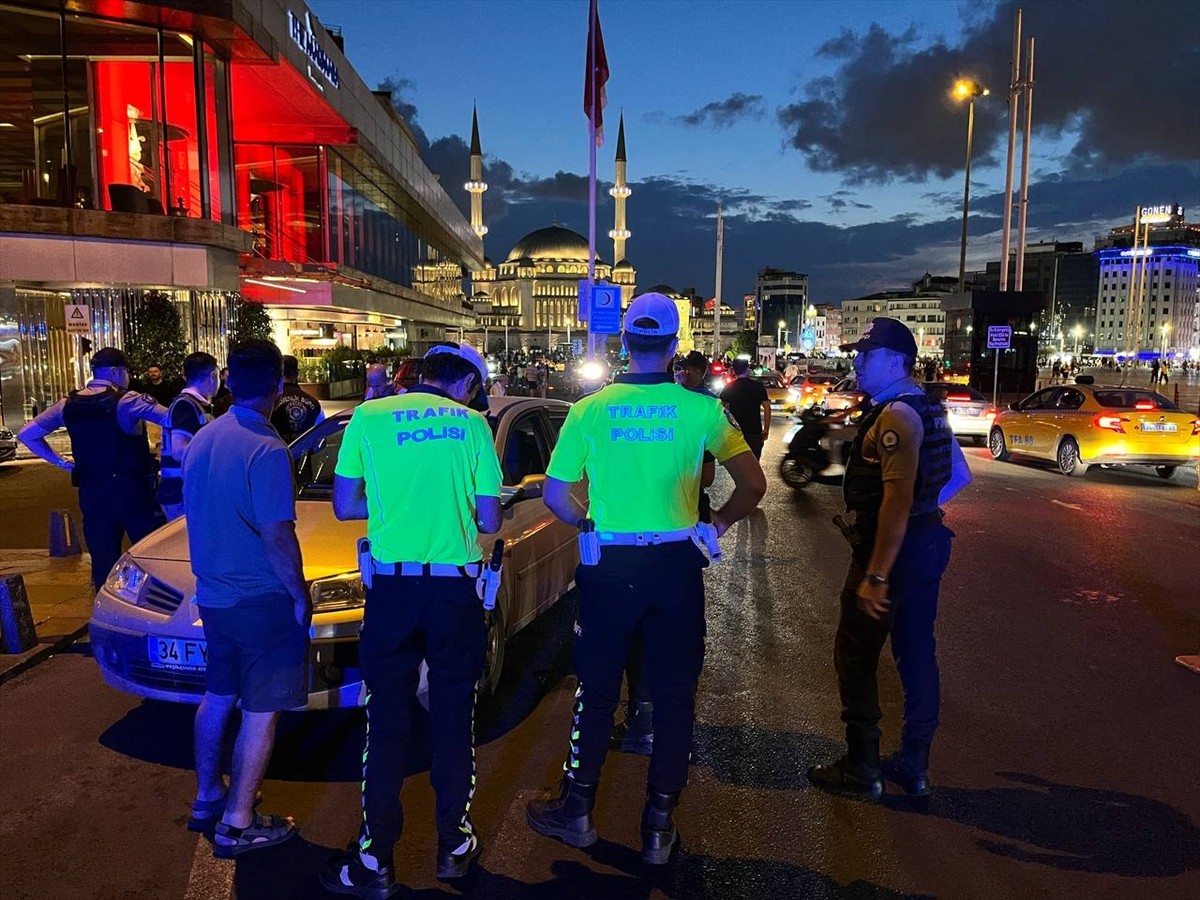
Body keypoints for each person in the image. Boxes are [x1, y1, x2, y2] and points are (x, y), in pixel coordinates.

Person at [525, 292, 766, 864]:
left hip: (611, 565)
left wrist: (586, 518)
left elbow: (556, 492)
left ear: (624, 343)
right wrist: (720, 523)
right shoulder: (703, 411)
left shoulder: (589, 409)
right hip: (676, 566)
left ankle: (577, 810)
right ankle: (658, 827)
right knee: (675, 695)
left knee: (597, 691)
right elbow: (753, 484)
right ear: (675, 345)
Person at [322, 342, 502, 896]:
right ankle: (453, 845)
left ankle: (375, 860)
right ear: (466, 385)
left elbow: (345, 506)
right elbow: (490, 518)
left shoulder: (367, 418)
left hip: (393, 592)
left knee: (386, 722)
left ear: (419, 376)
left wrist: (396, 501)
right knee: (453, 718)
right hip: (454, 593)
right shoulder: (472, 426)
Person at [808, 317, 971, 801]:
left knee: (854, 657)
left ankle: (862, 767)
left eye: (867, 355)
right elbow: (957, 475)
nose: (856, 362)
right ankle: (915, 764)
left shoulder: (897, 416)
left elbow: (895, 501)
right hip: (926, 546)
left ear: (897, 362)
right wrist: (925, 509)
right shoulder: (927, 407)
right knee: (917, 653)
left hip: (892, 555)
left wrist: (877, 573)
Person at [182, 339, 308, 856]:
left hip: (213, 596)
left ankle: (208, 797)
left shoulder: (204, 438)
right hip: (260, 599)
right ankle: (239, 820)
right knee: (260, 712)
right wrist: (299, 594)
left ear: (230, 380)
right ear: (279, 387)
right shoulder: (267, 448)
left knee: (217, 695)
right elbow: (278, 535)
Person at [17, 347, 168, 591]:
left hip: (92, 492)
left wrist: (62, 462)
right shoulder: (128, 401)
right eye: (126, 372)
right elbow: (173, 417)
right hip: (133, 492)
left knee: (103, 561)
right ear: (117, 372)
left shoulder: (67, 405)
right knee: (153, 556)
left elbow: (27, 434)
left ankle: (106, 614)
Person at [158, 352, 219, 521]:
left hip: (185, 490)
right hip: (182, 492)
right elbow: (179, 450)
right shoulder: (186, 405)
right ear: (213, 375)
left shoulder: (194, 404)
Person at [720, 358, 771, 459]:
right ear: (747, 369)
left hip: (735, 432)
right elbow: (767, 408)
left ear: (734, 370)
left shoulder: (729, 387)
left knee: (738, 466)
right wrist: (766, 429)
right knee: (754, 464)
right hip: (754, 432)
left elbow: (720, 409)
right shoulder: (758, 387)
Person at [270, 354, 324, 443]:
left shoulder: (270, 402)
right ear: (296, 374)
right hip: (304, 455)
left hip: (277, 453)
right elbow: (320, 436)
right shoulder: (314, 403)